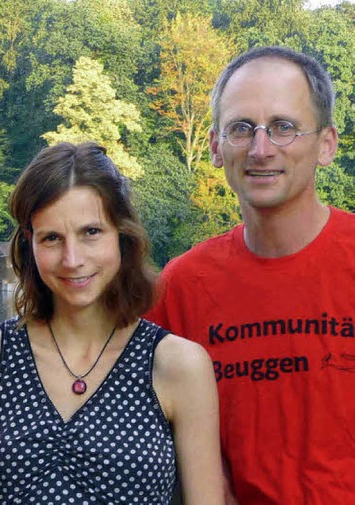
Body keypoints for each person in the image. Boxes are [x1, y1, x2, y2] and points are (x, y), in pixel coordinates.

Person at [0, 142, 224, 504]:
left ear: (122, 236)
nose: (72, 260)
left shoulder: (177, 364)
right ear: (30, 245)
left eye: (91, 232)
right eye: (52, 238)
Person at [145, 46, 353, 505]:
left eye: (284, 127)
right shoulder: (180, 289)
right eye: (242, 128)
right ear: (217, 147)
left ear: (326, 144)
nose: (261, 150)